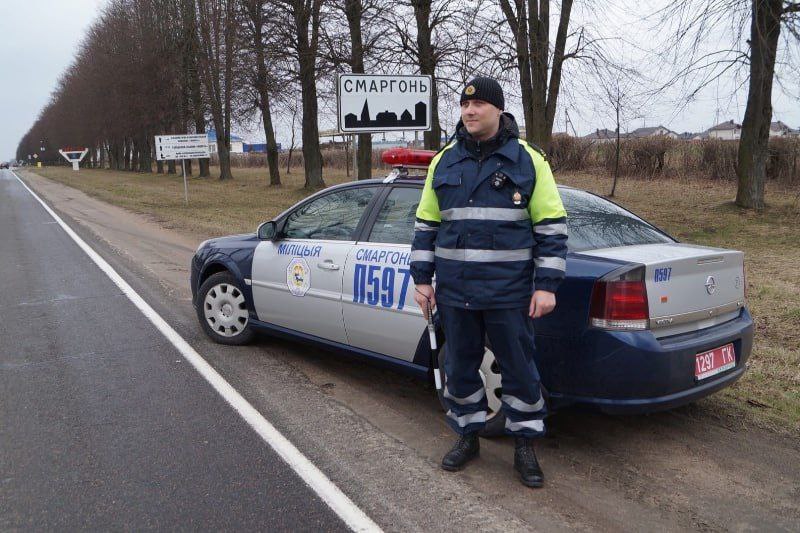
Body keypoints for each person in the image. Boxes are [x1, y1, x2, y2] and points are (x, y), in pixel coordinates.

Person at [410, 76, 568, 488]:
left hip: (509, 293)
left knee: (519, 371)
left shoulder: (528, 160)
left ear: (498, 109)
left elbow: (551, 227)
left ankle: (524, 445)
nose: (469, 111)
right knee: (460, 367)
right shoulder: (444, 161)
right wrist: (422, 279)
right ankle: (467, 435)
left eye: (478, 104)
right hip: (456, 292)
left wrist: (547, 285)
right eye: (464, 105)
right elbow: (426, 223)